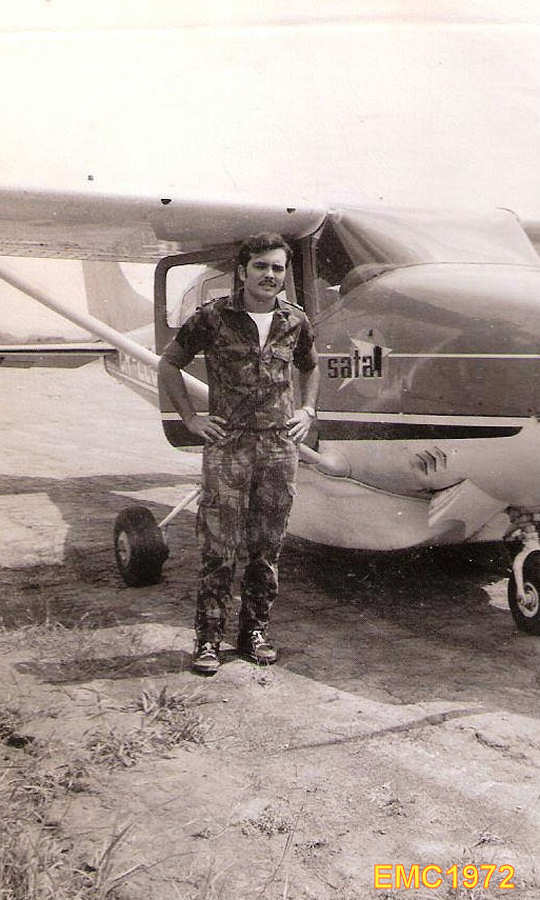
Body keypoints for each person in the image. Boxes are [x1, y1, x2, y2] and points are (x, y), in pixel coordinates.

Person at [158, 232, 320, 674]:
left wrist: (307, 410)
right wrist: (191, 418)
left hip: (278, 448)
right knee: (220, 547)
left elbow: (310, 366)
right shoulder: (213, 317)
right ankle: (209, 640)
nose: (270, 275)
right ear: (243, 271)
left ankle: (254, 633)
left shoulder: (295, 320)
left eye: (278, 268)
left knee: (267, 547)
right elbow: (169, 364)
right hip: (228, 447)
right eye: (261, 266)